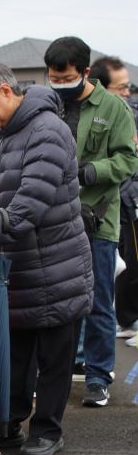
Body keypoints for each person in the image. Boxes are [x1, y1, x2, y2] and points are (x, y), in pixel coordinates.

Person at [0, 63, 93, 455]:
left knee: (54, 357)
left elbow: (27, 208)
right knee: (12, 353)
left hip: (57, 266)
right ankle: (7, 423)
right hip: (19, 267)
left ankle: (47, 430)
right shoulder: (8, 134)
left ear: (4, 90)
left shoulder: (47, 130)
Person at [44, 37, 137, 406]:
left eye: (65, 77)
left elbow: (128, 161)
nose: (59, 83)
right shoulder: (47, 103)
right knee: (57, 302)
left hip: (98, 219)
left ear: (85, 73)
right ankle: (63, 369)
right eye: (53, 77)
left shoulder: (114, 108)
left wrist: (88, 172)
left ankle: (98, 376)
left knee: (98, 300)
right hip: (55, 219)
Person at [89, 57, 138, 343]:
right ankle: (128, 319)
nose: (127, 93)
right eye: (121, 88)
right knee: (127, 266)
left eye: (128, 87)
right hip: (115, 207)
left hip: (119, 204)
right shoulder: (101, 116)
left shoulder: (127, 112)